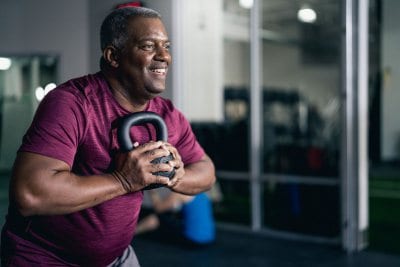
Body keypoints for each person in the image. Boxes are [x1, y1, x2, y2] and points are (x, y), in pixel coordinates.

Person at [0, 6, 215, 267]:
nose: (164, 57)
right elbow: (30, 195)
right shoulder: (72, 103)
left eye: (166, 46)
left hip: (115, 258)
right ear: (113, 56)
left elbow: (206, 172)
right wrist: (123, 180)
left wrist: (177, 176)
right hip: (46, 258)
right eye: (148, 46)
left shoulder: (168, 114)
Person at [135, 189, 216, 247]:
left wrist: (152, 191)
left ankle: (130, 234)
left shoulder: (183, 193)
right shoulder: (202, 192)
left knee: (156, 218)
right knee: (167, 216)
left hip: (193, 240)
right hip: (209, 239)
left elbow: (158, 208)